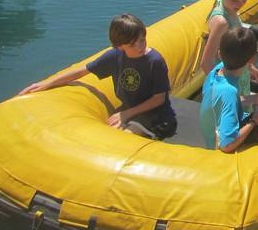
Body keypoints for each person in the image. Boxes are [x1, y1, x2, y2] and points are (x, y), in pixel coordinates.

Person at [19, 14, 177, 140]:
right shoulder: (114, 56)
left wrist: (127, 114)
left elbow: (159, 99)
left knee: (120, 138)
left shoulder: (154, 61)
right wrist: (47, 83)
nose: (140, 46)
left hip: (157, 116)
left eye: (142, 40)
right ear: (119, 46)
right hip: (130, 110)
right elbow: (82, 71)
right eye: (133, 44)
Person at [200, 0, 258, 104]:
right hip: (229, 82)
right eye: (235, 1)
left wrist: (249, 67)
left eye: (243, 0)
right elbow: (206, 63)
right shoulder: (221, 22)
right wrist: (224, 90)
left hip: (237, 75)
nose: (239, 5)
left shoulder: (226, 6)